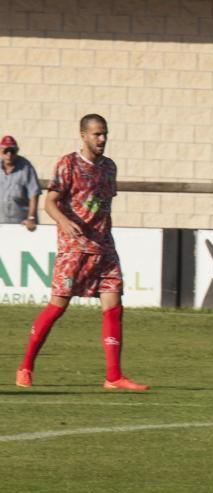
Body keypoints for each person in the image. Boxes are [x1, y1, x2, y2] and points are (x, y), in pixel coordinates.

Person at [15, 114, 148, 390]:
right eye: (97, 134)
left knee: (113, 306)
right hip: (74, 249)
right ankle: (25, 366)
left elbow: (103, 205)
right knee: (57, 307)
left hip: (104, 247)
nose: (102, 139)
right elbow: (50, 202)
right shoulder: (68, 164)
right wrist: (65, 222)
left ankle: (113, 376)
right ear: (83, 135)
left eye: (105, 134)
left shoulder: (110, 167)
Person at [1, 135, 41, 231]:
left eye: (12, 151)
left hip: (21, 224)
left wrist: (31, 218)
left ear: (17, 151)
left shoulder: (26, 167)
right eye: (6, 151)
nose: (9, 154)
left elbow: (34, 193)